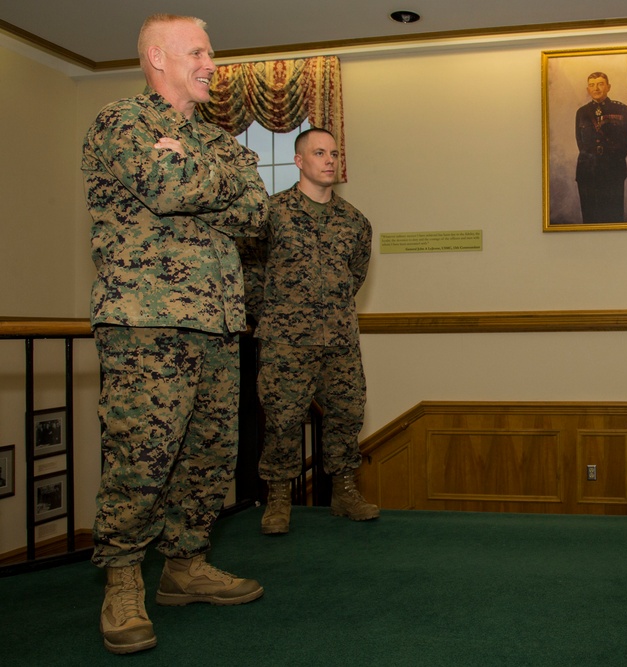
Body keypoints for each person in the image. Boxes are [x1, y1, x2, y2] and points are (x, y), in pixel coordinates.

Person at [82, 14, 268, 655]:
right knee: (142, 456)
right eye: (199, 51)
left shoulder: (217, 140)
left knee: (210, 456)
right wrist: (206, 178)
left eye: (211, 51)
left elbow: (258, 211)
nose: (212, 62)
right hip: (146, 320)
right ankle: (124, 579)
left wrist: (197, 169)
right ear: (158, 57)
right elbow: (163, 189)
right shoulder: (122, 122)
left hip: (218, 320)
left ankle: (185, 567)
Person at [239, 127, 377, 536]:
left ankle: (344, 491)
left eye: (334, 153)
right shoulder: (271, 213)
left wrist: (327, 311)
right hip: (285, 340)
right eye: (320, 153)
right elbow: (249, 269)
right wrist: (274, 313)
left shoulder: (355, 222)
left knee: (348, 414)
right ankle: (279, 497)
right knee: (282, 421)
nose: (330, 160)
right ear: (300, 161)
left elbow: (355, 274)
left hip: (338, 339)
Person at [575, 72, 627, 223]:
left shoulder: (622, 110)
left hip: (612, 170)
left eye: (600, 84)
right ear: (588, 89)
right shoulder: (582, 112)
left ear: (608, 87)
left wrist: (612, 160)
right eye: (592, 85)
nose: (596, 88)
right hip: (587, 171)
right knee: (590, 217)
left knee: (613, 215)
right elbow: (580, 142)